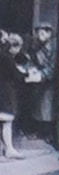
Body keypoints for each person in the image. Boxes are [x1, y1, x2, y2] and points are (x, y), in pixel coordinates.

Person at [0, 31, 24, 160]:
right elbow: (15, 75)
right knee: (6, 121)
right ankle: (9, 149)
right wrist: (27, 75)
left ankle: (8, 148)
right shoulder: (6, 57)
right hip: (3, 92)